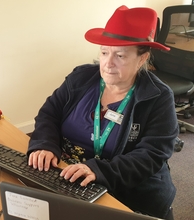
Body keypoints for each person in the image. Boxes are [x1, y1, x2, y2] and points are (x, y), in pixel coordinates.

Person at [27, 5, 177, 219]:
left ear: (142, 58)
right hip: (72, 181)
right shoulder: (80, 78)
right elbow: (49, 113)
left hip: (128, 194)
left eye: (121, 56)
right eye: (104, 52)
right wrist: (45, 144)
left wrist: (99, 170)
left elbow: (152, 155)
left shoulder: (158, 97)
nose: (107, 64)